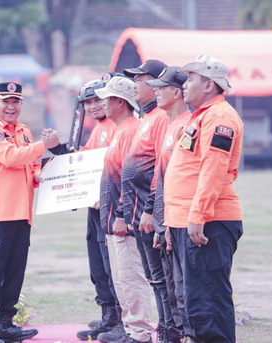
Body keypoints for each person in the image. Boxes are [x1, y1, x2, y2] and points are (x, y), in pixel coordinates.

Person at [0, 82, 60, 343]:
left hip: (22, 213)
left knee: (14, 271)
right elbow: (11, 158)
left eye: (16, 102)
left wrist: (51, 173)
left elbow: (32, 169)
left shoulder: (23, 131)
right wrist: (44, 146)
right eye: (5, 101)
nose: (11, 107)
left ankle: (6, 324)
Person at [164, 55, 244, 343]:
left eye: (191, 79)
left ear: (208, 85)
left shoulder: (219, 117)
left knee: (208, 302)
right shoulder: (202, 116)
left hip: (209, 221)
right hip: (190, 221)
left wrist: (197, 216)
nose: (184, 85)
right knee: (197, 303)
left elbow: (213, 169)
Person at [41, 78, 123, 340]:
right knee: (98, 263)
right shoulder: (98, 129)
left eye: (97, 100)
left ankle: (123, 319)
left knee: (114, 265)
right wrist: (56, 149)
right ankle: (108, 315)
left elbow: (120, 169)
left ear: (109, 99)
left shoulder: (117, 126)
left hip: (111, 204)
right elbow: (79, 162)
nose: (93, 106)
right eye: (88, 102)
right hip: (94, 206)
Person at [94, 76, 153, 343]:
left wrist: (120, 215)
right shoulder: (121, 129)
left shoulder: (131, 129)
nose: (102, 103)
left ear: (120, 101)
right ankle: (131, 330)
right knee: (121, 278)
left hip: (124, 220)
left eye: (107, 99)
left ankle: (140, 333)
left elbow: (130, 178)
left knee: (130, 277)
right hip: (113, 219)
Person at [121, 59, 174, 341]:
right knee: (155, 276)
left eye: (140, 79)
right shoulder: (146, 118)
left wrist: (151, 209)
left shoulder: (162, 118)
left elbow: (159, 168)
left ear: (155, 86)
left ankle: (169, 328)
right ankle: (164, 326)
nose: (135, 84)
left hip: (150, 210)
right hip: (139, 210)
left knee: (162, 276)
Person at [142, 66, 191, 343]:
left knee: (183, 287)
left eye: (161, 87)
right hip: (165, 218)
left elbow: (181, 179)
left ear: (176, 91)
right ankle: (174, 333)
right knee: (171, 285)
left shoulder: (187, 124)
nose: (156, 92)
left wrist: (169, 222)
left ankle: (185, 335)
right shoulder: (171, 124)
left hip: (177, 219)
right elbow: (161, 178)